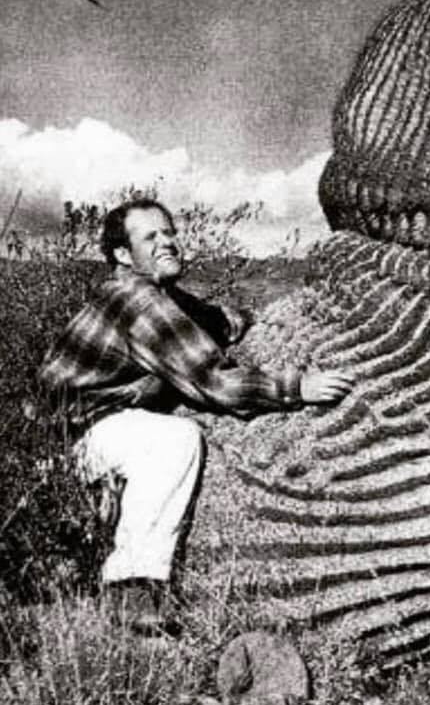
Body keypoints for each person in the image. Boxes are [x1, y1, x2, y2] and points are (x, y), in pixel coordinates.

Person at [39, 198, 353, 634]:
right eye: (150, 237)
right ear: (124, 255)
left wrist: (262, 320)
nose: (167, 242)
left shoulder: (156, 295)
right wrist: (296, 388)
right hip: (74, 437)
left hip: (84, 430)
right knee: (174, 439)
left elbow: (210, 320)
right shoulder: (138, 301)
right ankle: (131, 586)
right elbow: (213, 381)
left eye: (169, 232)